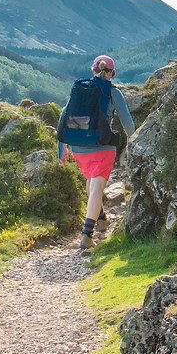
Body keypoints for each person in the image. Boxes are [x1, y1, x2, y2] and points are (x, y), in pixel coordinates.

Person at [58, 55, 135, 250]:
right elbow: (127, 123)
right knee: (97, 186)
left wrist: (62, 148)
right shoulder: (112, 92)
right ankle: (86, 235)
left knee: (91, 182)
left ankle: (101, 219)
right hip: (102, 146)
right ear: (112, 73)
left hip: (78, 148)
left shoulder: (80, 89)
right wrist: (134, 143)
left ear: (93, 70)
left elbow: (63, 118)